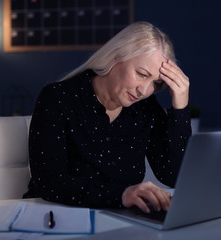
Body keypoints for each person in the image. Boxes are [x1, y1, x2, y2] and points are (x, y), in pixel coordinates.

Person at [23, 21, 191, 214]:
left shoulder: (146, 109)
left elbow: (173, 176)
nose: (145, 90)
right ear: (115, 57)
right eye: (142, 74)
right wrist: (122, 195)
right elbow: (49, 182)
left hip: (116, 219)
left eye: (156, 82)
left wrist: (180, 106)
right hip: (55, 216)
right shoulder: (58, 98)